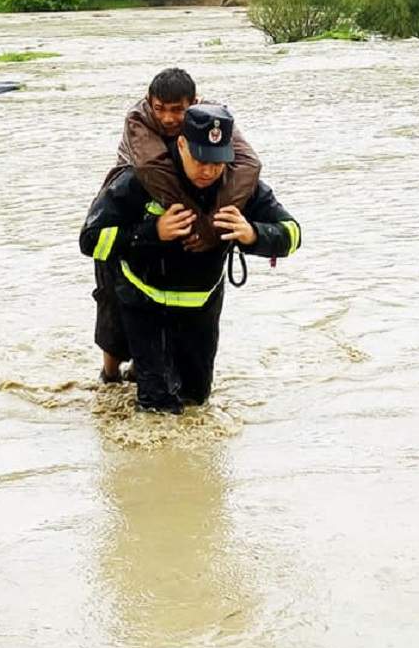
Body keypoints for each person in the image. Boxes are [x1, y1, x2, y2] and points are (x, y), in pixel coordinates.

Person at [80, 104, 300, 414]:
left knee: (197, 402)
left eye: (218, 162)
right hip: (144, 305)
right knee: (157, 407)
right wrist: (152, 231)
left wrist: (253, 234)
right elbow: (90, 240)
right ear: (181, 145)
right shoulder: (140, 180)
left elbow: (292, 234)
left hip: (201, 310)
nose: (209, 171)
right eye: (200, 160)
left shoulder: (240, 187)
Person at [95, 67, 261, 383]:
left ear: (194, 102)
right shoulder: (139, 120)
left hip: (185, 220)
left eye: (177, 110)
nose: (169, 119)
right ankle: (109, 375)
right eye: (160, 109)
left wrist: (216, 222)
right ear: (149, 103)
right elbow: (152, 168)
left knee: (171, 312)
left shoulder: (211, 118)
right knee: (113, 306)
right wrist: (202, 227)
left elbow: (248, 164)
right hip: (129, 209)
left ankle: (154, 371)